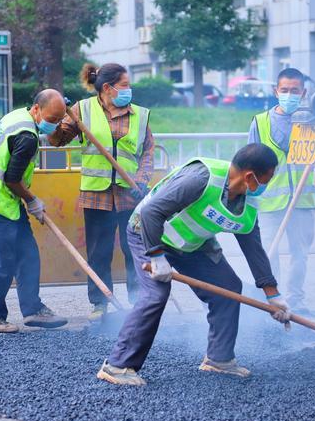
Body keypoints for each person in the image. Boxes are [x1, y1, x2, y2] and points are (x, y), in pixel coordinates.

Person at [96, 144, 292, 386]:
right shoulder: (201, 179)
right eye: (268, 178)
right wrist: (156, 256)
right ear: (250, 177)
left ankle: (219, 359)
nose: (268, 185)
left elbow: (254, 249)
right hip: (148, 234)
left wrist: (273, 294)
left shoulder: (247, 202)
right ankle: (117, 365)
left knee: (228, 287)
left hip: (191, 242)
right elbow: (150, 213)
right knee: (156, 294)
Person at [52, 63, 154, 321]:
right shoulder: (82, 110)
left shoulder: (139, 115)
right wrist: (57, 117)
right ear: (108, 88)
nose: (129, 90)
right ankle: (100, 303)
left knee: (135, 250)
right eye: (125, 85)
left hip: (130, 194)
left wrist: (142, 179)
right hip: (96, 195)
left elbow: (148, 151)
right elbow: (57, 140)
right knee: (99, 252)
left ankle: (138, 301)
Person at [0, 89, 69, 333]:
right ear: (36, 109)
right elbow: (12, 178)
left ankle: (33, 309)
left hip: (5, 200)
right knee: (3, 261)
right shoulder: (27, 136)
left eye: (58, 121)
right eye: (51, 119)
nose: (53, 126)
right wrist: (33, 200)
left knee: (28, 254)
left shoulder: (18, 115)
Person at [248, 68, 315, 313]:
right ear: (275, 91)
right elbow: (250, 161)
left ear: (303, 92)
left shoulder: (312, 121)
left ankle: (296, 300)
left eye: (294, 91)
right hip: (269, 203)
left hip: (302, 201)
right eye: (284, 90)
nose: (289, 95)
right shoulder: (260, 122)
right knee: (267, 253)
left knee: (300, 255)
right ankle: (273, 299)